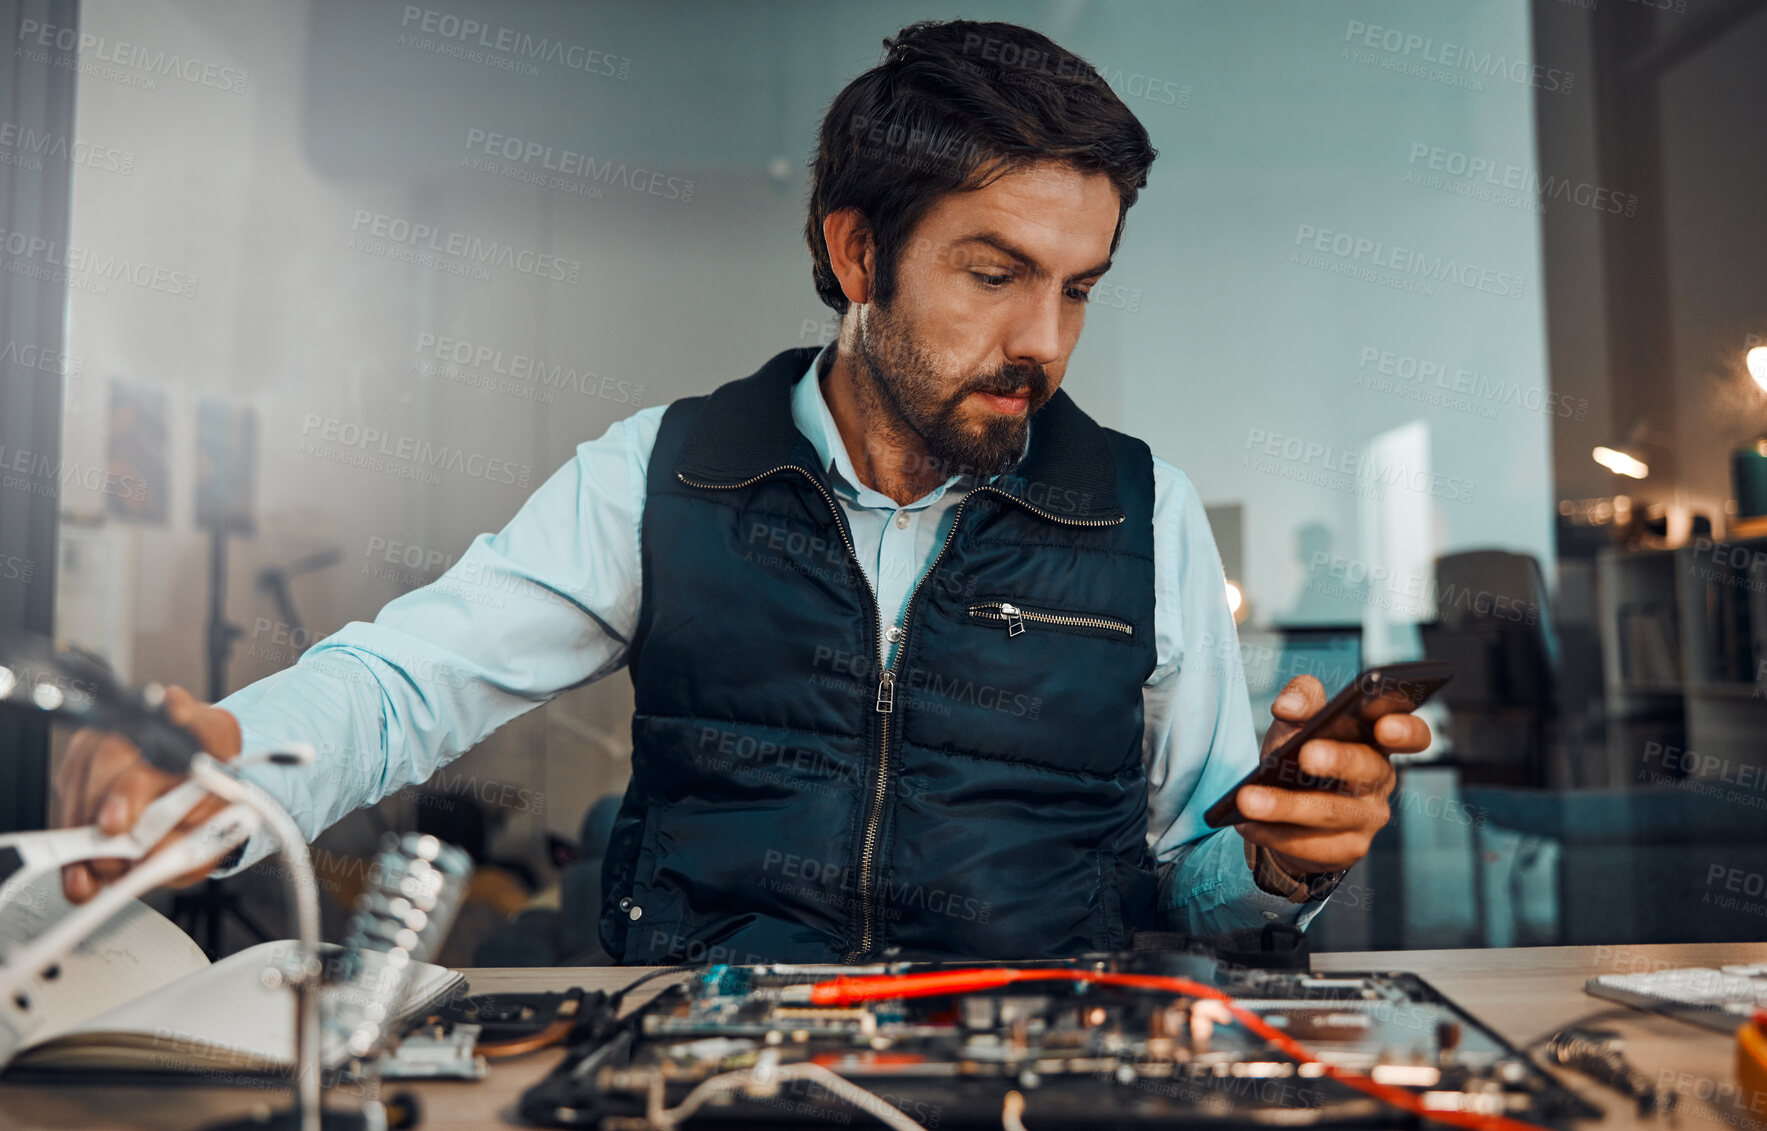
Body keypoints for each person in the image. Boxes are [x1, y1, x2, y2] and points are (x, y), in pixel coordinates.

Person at [56, 19, 1430, 963]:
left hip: (1034, 1069)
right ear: (855, 250)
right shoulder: (662, 477)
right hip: (715, 1064)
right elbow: (407, 684)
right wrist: (231, 762)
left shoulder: (1146, 512)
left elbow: (1191, 889)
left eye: (1079, 289)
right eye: (995, 273)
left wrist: (1284, 859)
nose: (1047, 342)